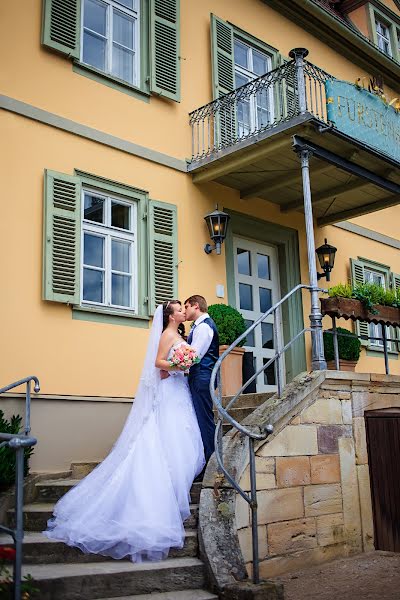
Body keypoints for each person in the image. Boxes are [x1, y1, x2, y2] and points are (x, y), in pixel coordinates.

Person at [43, 301, 205, 563]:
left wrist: (182, 366)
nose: (183, 311)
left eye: (182, 308)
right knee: (169, 439)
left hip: (178, 391)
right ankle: (165, 496)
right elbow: (158, 362)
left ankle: (176, 489)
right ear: (171, 315)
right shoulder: (167, 335)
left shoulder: (179, 334)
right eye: (178, 309)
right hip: (169, 393)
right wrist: (179, 366)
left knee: (183, 441)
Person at [184, 295, 219, 465]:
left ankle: (211, 460)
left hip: (202, 377)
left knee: (204, 419)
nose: (185, 311)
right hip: (200, 376)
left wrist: (176, 369)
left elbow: (194, 356)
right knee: (201, 418)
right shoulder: (199, 326)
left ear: (195, 306)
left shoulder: (204, 328)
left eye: (186, 307)